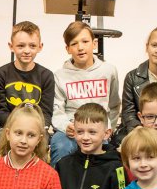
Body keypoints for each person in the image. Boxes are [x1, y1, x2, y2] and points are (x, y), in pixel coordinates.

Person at [50, 22, 120, 165]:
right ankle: (57, 186)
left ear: (94, 44)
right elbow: (57, 109)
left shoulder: (109, 71)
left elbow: (114, 105)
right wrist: (65, 126)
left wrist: (109, 127)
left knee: (104, 155)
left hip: (98, 129)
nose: (80, 47)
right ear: (68, 49)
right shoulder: (59, 75)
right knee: (61, 146)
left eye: (85, 41)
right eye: (74, 44)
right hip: (70, 130)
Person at [0, 21, 56, 130]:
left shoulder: (46, 76)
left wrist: (34, 128)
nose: (27, 51)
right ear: (11, 46)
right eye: (21, 46)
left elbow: (46, 113)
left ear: (40, 47)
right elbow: (1, 111)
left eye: (32, 46)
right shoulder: (1, 73)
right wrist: (19, 127)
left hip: (36, 128)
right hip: (9, 127)